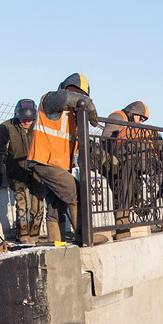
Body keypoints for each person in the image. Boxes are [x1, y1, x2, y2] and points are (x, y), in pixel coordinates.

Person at [27, 73, 98, 243]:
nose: (79, 98)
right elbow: (65, 98)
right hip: (45, 160)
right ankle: (85, 236)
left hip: (58, 164)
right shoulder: (50, 101)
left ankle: (56, 242)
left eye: (83, 95)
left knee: (56, 204)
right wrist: (90, 105)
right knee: (77, 191)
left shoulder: (73, 117)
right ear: (64, 88)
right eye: (75, 92)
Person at [99, 101, 163, 238]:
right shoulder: (118, 117)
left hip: (146, 161)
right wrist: (112, 159)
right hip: (125, 160)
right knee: (125, 186)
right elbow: (106, 140)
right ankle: (122, 227)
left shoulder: (148, 130)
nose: (141, 122)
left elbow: (162, 146)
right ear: (132, 113)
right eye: (140, 118)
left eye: (143, 120)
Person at [0, 99, 44, 243]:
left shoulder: (40, 126)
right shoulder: (6, 127)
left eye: (30, 119)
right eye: (23, 119)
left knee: (37, 203)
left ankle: (35, 234)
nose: (26, 122)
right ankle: (23, 234)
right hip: (16, 172)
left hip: (38, 172)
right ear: (17, 116)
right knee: (22, 203)